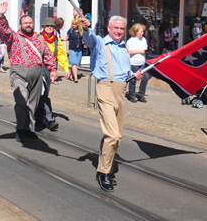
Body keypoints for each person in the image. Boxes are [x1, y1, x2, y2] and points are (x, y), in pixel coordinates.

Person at [82, 15, 143, 192]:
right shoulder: (101, 43)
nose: (118, 31)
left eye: (122, 29)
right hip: (105, 90)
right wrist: (86, 28)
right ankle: (104, 172)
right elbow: (89, 39)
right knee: (113, 134)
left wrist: (134, 76)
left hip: (120, 92)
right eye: (115, 28)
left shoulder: (124, 47)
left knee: (116, 135)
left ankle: (104, 164)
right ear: (109, 29)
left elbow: (124, 72)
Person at [0, 2, 57, 142]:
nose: (28, 25)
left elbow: (47, 54)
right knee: (21, 101)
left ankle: (28, 128)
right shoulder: (13, 37)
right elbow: (3, 30)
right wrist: (0, 15)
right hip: (19, 73)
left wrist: (53, 70)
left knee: (32, 103)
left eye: (30, 23)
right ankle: (20, 128)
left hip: (36, 74)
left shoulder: (39, 38)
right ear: (20, 25)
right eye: (25, 23)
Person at [37, 17, 70, 131]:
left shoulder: (57, 40)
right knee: (39, 93)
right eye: (47, 26)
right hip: (37, 68)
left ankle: (41, 118)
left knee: (43, 94)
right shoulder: (37, 37)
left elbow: (61, 54)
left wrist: (66, 69)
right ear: (43, 27)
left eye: (51, 26)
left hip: (49, 69)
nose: (49, 27)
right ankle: (49, 119)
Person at [126, 23, 149, 103]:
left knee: (145, 78)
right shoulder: (131, 41)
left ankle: (141, 94)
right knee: (133, 80)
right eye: (141, 32)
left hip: (142, 63)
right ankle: (132, 95)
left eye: (142, 32)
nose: (142, 33)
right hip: (134, 63)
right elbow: (129, 51)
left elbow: (145, 48)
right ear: (135, 32)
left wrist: (146, 51)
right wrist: (140, 51)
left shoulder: (143, 39)